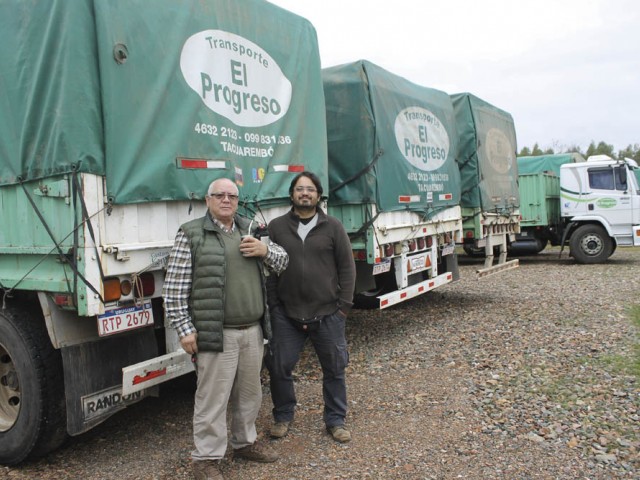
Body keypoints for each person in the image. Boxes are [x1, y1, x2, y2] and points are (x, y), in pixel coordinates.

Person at [163, 178, 288, 480]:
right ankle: (205, 459)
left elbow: (283, 262)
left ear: (237, 200)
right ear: (207, 200)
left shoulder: (251, 230)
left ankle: (245, 443)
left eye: (231, 195)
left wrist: (264, 251)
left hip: (253, 332)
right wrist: (184, 329)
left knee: (250, 394)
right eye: (219, 195)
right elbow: (173, 290)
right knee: (213, 399)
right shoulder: (191, 234)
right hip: (216, 333)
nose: (226, 200)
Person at [265, 171, 356, 443]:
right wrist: (273, 306)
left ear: (318, 195)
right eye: (299, 189)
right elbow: (269, 269)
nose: (305, 193)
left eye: (310, 189)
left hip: (328, 313)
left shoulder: (333, 227)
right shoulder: (277, 227)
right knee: (278, 366)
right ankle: (283, 416)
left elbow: (347, 268)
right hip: (287, 315)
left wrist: (343, 308)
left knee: (334, 368)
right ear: (292, 194)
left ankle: (335, 420)